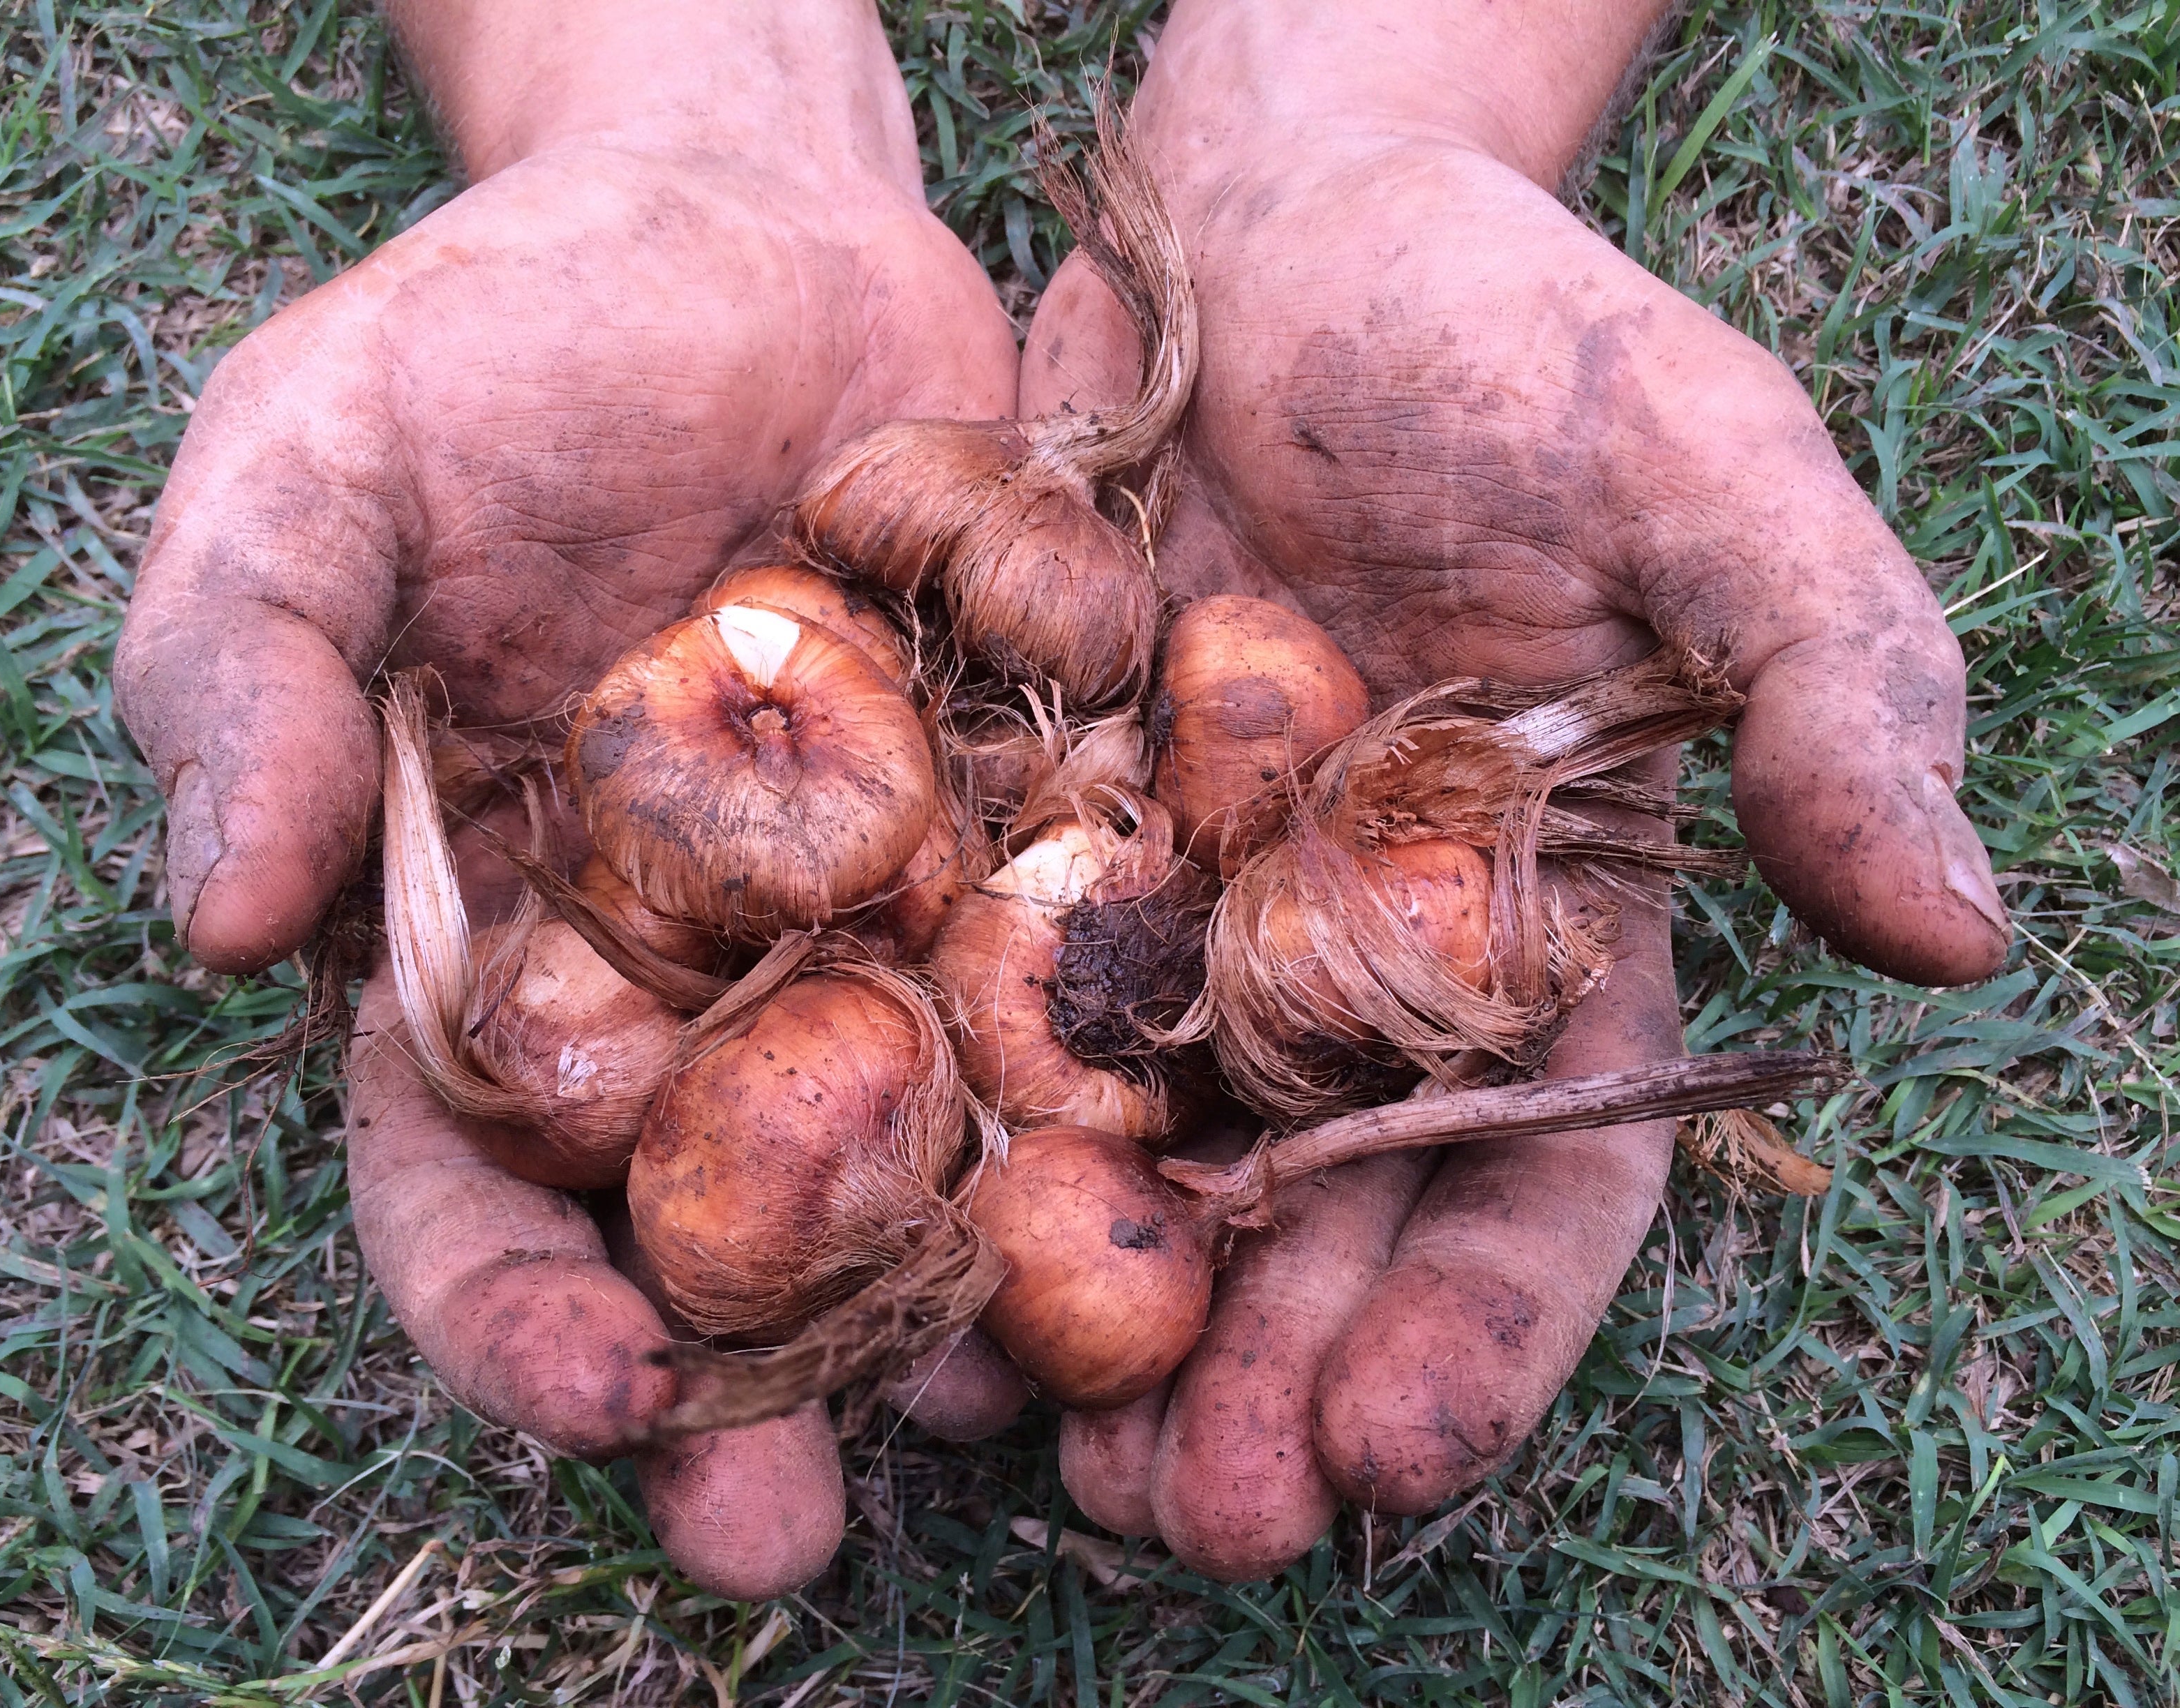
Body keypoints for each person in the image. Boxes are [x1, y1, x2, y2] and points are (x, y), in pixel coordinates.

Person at [115, 0, 2008, 1596]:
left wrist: (1334, 147)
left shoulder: (1083, 864)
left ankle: (1305, 81)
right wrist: (674, 137)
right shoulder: (932, 841)